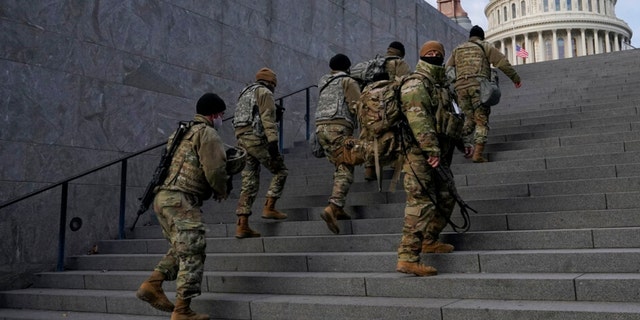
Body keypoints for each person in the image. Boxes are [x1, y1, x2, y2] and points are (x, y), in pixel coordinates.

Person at [136, 93, 229, 320]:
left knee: (181, 249)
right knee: (193, 252)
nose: (223, 120)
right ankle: (182, 311)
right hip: (181, 201)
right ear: (215, 114)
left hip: (163, 199)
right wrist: (221, 190)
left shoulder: (180, 133)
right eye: (222, 115)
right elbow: (215, 169)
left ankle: (153, 284)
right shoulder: (208, 133)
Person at [395, 41, 458, 277]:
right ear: (421, 57)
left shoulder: (442, 85)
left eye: (437, 54)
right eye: (429, 54)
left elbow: (450, 118)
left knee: (447, 196)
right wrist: (431, 149)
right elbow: (417, 118)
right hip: (418, 154)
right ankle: (408, 258)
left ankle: (429, 240)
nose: (434, 56)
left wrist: (465, 144)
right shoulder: (416, 82)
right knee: (420, 203)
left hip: (439, 153)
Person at [446, 25, 522, 163]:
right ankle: (478, 154)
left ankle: (454, 138)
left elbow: (448, 68)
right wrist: (515, 79)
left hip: (461, 88)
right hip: (479, 87)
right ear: (482, 36)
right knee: (481, 120)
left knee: (469, 119)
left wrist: (457, 80)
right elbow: (502, 62)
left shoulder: (458, 49)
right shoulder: (485, 46)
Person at [232, 67, 288, 239]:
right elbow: (267, 117)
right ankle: (269, 207)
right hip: (257, 139)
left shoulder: (245, 92)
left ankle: (242, 225)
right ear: (271, 82)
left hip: (242, 140)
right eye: (274, 85)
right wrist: (272, 141)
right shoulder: (265, 92)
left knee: (249, 182)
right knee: (280, 171)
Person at [316, 53, 361, 234]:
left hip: (320, 129)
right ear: (348, 67)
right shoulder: (348, 82)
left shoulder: (324, 82)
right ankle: (333, 207)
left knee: (339, 166)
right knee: (346, 166)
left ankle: (339, 208)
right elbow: (356, 106)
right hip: (339, 127)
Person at [363, 41, 412, 181]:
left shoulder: (375, 63)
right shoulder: (400, 63)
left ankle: (370, 168)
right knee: (397, 132)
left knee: (370, 135)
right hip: (390, 106)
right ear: (401, 53)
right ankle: (396, 163)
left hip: (371, 106)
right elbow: (405, 84)